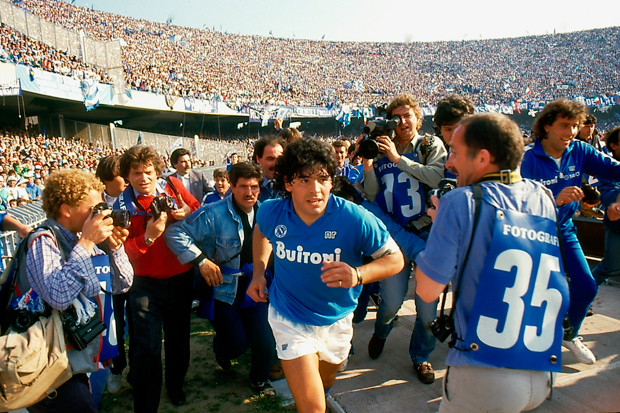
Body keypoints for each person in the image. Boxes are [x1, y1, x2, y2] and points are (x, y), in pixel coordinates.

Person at [416, 113, 570, 412]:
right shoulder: (543, 196)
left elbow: (426, 290)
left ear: (483, 158)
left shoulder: (460, 201)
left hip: (484, 373)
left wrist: (440, 226)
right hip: (540, 369)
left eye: (455, 152)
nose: (450, 163)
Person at [247, 138, 404, 413]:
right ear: (288, 183)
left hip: (337, 319)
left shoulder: (355, 218)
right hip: (289, 317)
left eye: (323, 179)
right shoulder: (272, 211)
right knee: (313, 407)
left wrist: (357, 274)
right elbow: (261, 231)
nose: (316, 189)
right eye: (305, 180)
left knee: (325, 383)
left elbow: (395, 259)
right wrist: (259, 272)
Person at [21, 170, 133, 412]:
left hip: (72, 358)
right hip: (47, 363)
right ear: (66, 210)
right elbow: (58, 296)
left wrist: (114, 249)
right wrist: (87, 243)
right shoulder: (43, 241)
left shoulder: (78, 240)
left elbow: (122, 284)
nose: (100, 215)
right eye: (93, 209)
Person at [520, 99, 620, 365]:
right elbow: (515, 206)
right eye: (565, 125)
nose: (572, 132)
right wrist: (554, 200)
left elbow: (614, 170)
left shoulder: (579, 150)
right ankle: (527, 348)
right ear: (546, 126)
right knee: (535, 296)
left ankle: (569, 334)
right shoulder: (526, 158)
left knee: (586, 287)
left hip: (564, 230)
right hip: (531, 235)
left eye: (575, 126)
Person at [165, 162, 275, 395]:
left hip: (257, 285)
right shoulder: (212, 213)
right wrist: (201, 261)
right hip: (225, 288)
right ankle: (222, 348)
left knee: (265, 341)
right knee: (236, 345)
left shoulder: (267, 213)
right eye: (243, 186)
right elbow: (175, 232)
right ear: (232, 187)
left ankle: (259, 380)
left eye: (254, 187)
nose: (249, 193)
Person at [360, 93, 447, 384]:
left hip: (426, 232)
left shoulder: (428, 145)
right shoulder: (381, 146)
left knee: (427, 307)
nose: (402, 122)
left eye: (407, 115)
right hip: (394, 235)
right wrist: (369, 163)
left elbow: (437, 178)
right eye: (396, 117)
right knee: (390, 302)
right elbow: (371, 194)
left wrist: (398, 160)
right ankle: (381, 330)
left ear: (418, 118)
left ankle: (421, 356)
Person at [113, 145, 200, 412]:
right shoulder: (120, 206)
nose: (144, 178)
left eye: (149, 172)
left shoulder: (172, 185)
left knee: (178, 339)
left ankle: (175, 385)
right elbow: (120, 253)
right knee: (146, 348)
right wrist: (148, 238)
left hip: (180, 278)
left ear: (157, 171)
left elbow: (197, 208)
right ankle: (146, 404)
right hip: (143, 285)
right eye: (136, 173)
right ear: (127, 176)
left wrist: (186, 211)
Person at [95, 154, 129, 393]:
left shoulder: (134, 198)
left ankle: (138, 373)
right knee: (114, 326)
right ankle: (117, 368)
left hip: (136, 273)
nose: (126, 180)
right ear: (107, 179)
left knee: (138, 326)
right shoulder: (94, 204)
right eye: (121, 176)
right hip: (109, 276)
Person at [591, 126, 620, 286]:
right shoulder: (607, 168)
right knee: (608, 268)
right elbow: (609, 196)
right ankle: (580, 297)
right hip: (617, 229)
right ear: (614, 145)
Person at [253, 136, 285, 202]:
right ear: (258, 159)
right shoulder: (249, 186)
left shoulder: (292, 185)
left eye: (280, 159)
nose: (276, 163)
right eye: (270, 159)